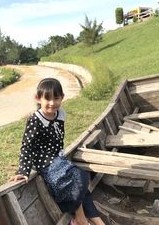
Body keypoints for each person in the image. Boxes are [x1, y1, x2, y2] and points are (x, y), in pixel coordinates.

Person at [10, 78, 105, 225]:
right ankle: (80, 220)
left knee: (80, 183)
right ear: (38, 98)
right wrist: (23, 171)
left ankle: (97, 221)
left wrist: (60, 155)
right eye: (47, 98)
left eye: (56, 98)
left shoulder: (60, 114)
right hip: (43, 162)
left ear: (62, 97)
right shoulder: (35, 120)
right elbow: (27, 147)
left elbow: (59, 138)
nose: (52, 103)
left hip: (57, 158)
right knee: (72, 176)